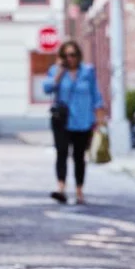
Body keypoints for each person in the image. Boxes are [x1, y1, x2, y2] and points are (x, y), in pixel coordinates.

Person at [42, 39, 100, 206]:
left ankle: (79, 191)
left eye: (73, 55)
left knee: (79, 156)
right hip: (62, 120)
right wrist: (59, 73)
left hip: (83, 120)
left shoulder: (88, 72)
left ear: (78, 56)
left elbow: (96, 95)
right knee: (61, 153)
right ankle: (61, 188)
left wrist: (99, 117)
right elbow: (47, 89)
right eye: (66, 56)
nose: (70, 59)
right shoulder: (55, 71)